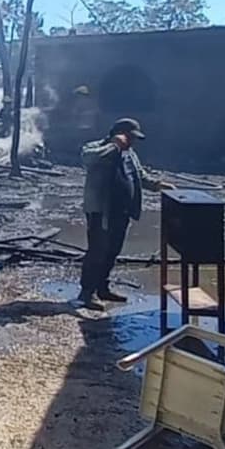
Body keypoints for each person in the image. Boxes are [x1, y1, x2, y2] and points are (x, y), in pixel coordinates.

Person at [78, 117, 173, 311]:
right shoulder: (98, 147)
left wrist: (157, 185)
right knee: (97, 251)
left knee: (112, 251)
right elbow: (87, 159)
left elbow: (139, 175)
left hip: (122, 211)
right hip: (101, 211)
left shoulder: (130, 153)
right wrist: (113, 146)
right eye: (130, 137)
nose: (132, 141)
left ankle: (102, 287)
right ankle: (87, 293)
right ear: (119, 134)